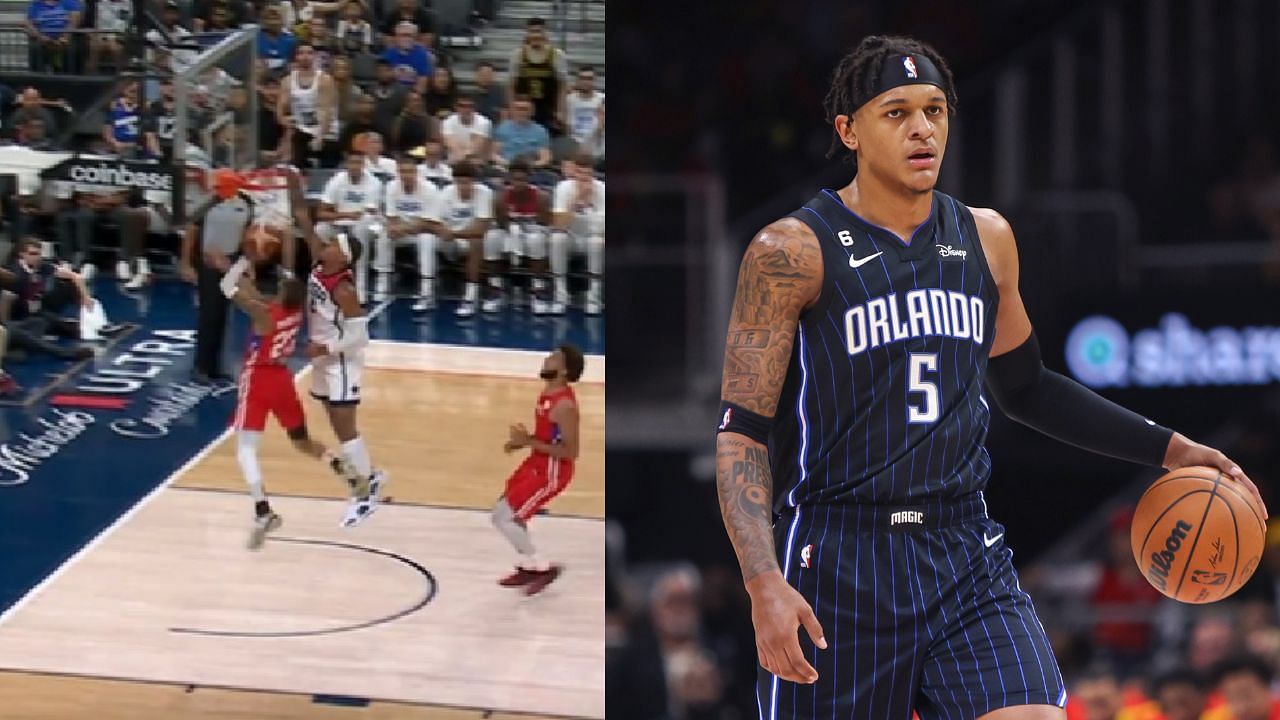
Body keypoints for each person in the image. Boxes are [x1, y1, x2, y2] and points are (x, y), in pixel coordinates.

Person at [712, 35, 1267, 720]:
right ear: (848, 130)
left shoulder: (986, 238)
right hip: (840, 554)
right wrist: (762, 579)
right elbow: (742, 435)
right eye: (896, 113)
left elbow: (1028, 388)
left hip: (962, 547)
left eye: (935, 110)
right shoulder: (790, 252)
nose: (922, 129)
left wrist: (1172, 448)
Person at [218, 258, 353, 548]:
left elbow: (226, 286)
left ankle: (263, 510)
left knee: (245, 450)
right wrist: (245, 276)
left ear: (280, 293)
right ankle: (339, 464)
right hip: (282, 380)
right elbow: (253, 293)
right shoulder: (293, 312)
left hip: (258, 380)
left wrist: (240, 263)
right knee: (301, 440)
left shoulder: (261, 313)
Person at [302, 224, 386, 526]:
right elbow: (303, 220)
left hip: (341, 361)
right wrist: (293, 184)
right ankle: (371, 476)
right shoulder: (319, 265)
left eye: (333, 243)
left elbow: (360, 336)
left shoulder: (344, 289)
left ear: (343, 258)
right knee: (338, 427)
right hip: (324, 359)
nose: (326, 244)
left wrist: (324, 347)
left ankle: (365, 496)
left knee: (345, 428)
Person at [492, 343, 583, 595]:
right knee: (506, 513)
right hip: (537, 463)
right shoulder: (547, 394)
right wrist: (522, 443)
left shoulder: (564, 406)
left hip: (552, 472)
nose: (547, 359)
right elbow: (549, 437)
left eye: (554, 357)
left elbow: (571, 452)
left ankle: (542, 567)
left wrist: (528, 442)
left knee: (504, 517)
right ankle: (528, 564)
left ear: (564, 370)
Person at [181, 169, 257, 382]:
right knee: (210, 314)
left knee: (224, 315)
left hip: (231, 260)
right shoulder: (206, 204)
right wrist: (186, 263)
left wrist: (247, 262)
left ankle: (216, 366)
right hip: (207, 261)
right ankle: (201, 367)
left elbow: (246, 234)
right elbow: (191, 232)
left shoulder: (246, 204)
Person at [382, 153, 443, 309]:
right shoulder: (391, 187)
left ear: (416, 173)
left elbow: (428, 222)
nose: (406, 175)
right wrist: (394, 228)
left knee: (426, 239)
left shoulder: (430, 188)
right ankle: (382, 283)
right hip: (402, 232)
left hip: (425, 231)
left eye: (409, 172)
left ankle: (426, 292)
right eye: (402, 172)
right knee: (384, 235)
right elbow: (391, 217)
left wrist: (403, 228)